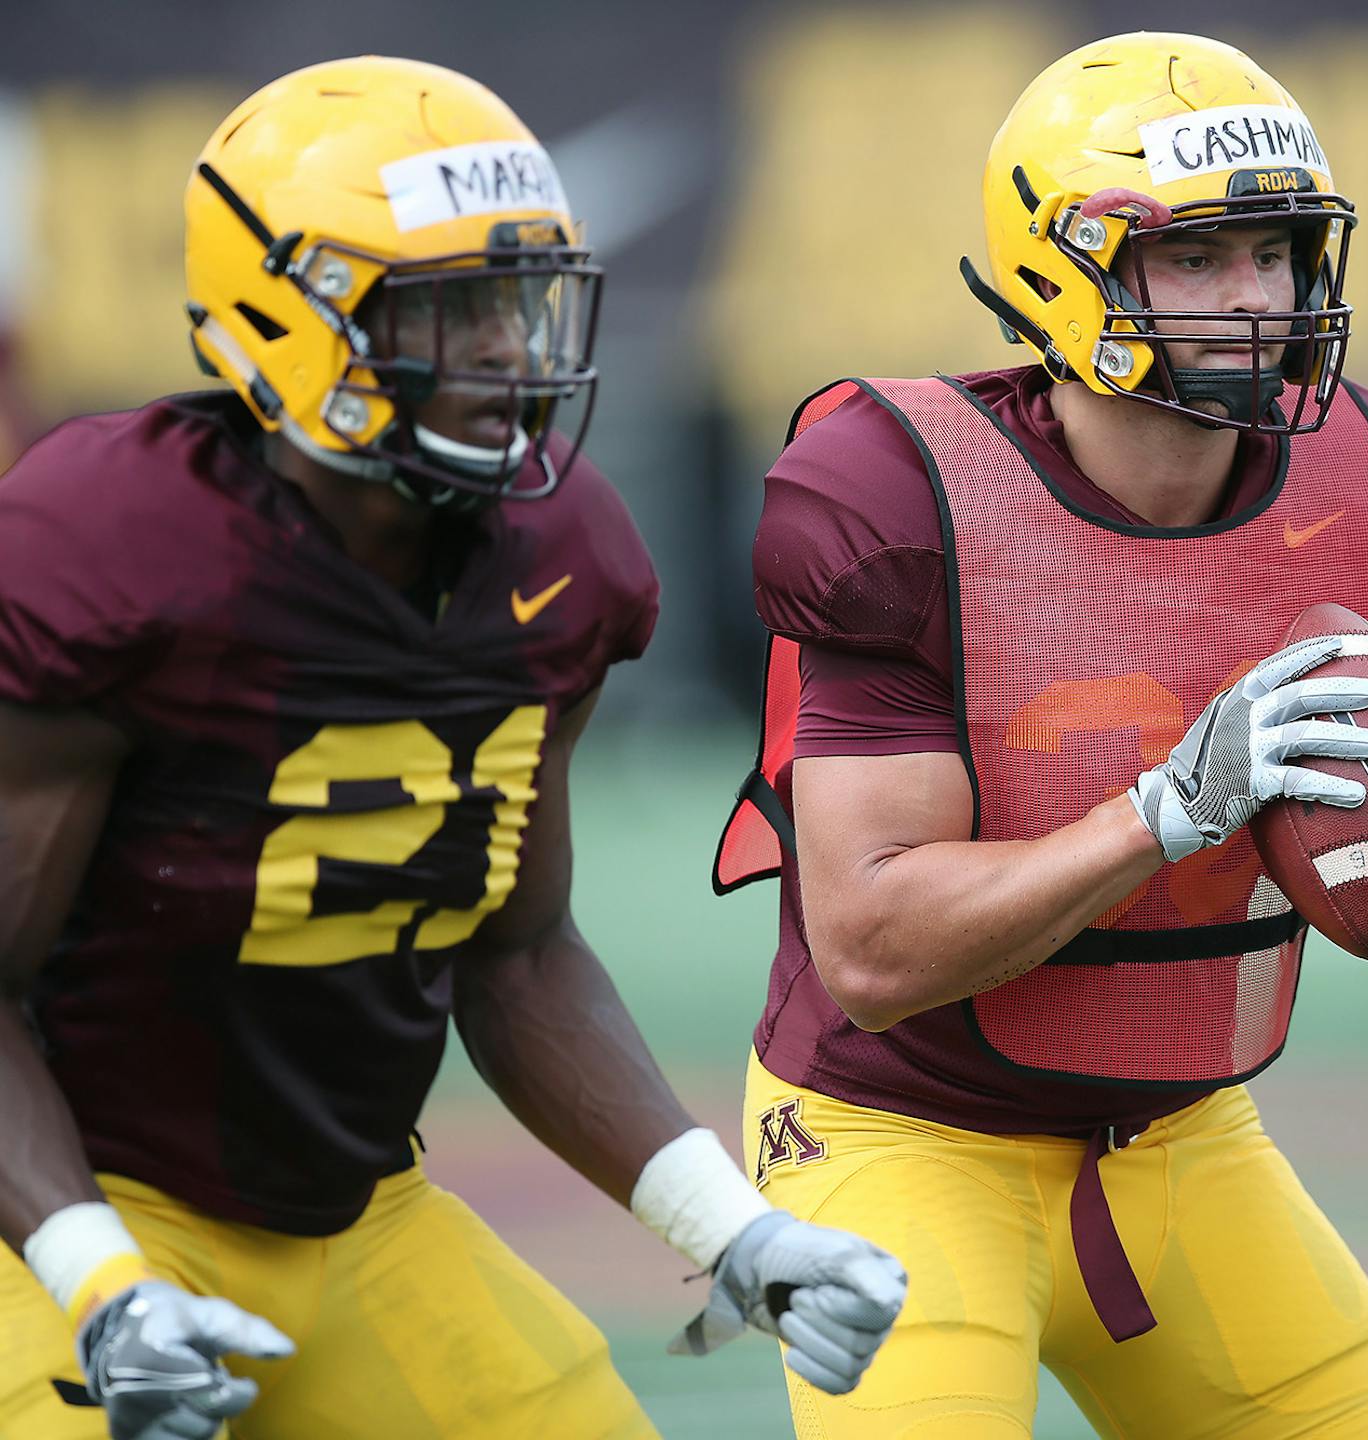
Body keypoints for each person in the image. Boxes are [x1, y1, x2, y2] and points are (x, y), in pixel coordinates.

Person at [0, 56, 902, 1440]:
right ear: (281, 318)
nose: (506, 358)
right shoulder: (114, 553)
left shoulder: (561, 561)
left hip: (355, 1214)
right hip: (59, 1218)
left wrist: (731, 1227)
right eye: (446, 315)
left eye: (515, 306)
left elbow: (517, 948)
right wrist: (98, 1280)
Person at [716, 31, 1368, 1438]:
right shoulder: (897, 492)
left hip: (1183, 1137)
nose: (1257, 297)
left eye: (1275, 254)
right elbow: (870, 949)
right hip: (904, 1133)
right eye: (1199, 260)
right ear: (1063, 265)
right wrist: (1164, 811)